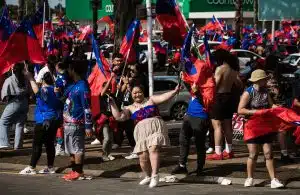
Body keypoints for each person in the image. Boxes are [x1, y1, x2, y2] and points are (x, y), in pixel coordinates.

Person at [109, 84, 180, 188]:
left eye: (139, 92)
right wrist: (112, 104)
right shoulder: (129, 107)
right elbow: (118, 117)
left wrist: (174, 91)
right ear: (131, 95)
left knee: (154, 148)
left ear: (143, 92)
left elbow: (163, 97)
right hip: (141, 132)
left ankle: (155, 175)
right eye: (134, 93)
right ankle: (147, 176)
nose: (137, 94)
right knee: (143, 158)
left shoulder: (151, 100)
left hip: (155, 127)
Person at [238, 69, 284, 188]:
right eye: (264, 79)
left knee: (268, 153)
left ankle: (273, 179)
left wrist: (277, 108)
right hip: (252, 127)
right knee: (253, 154)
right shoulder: (248, 92)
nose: (266, 81)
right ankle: (249, 178)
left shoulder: (265, 92)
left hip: (264, 126)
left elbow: (270, 105)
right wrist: (257, 112)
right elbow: (240, 110)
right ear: (259, 80)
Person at [19, 69, 61, 175]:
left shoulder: (45, 90)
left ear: (43, 80)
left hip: (43, 120)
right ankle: (50, 166)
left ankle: (32, 167)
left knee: (37, 144)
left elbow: (37, 91)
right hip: (54, 119)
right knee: (50, 144)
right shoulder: (57, 90)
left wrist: (30, 78)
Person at [207, 49, 243, 160]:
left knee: (217, 126)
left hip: (219, 97)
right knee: (228, 125)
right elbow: (239, 84)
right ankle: (229, 150)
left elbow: (215, 85)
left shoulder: (220, 69)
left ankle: (218, 152)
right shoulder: (233, 70)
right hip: (229, 97)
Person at [62, 59, 93, 181]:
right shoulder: (73, 85)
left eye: (69, 69)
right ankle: (74, 170)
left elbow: (87, 107)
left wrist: (88, 126)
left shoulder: (83, 87)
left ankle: (78, 171)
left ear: (73, 70)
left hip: (77, 124)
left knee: (77, 148)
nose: (67, 71)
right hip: (68, 123)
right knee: (70, 148)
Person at [171, 81, 209, 176]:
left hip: (200, 116)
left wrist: (196, 92)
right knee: (183, 140)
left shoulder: (209, 83)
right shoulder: (198, 81)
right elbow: (190, 87)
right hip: (189, 115)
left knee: (199, 143)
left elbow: (207, 101)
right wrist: (184, 78)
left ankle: (200, 168)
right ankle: (182, 165)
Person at [0, 63, 29, 149]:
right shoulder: (26, 79)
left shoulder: (9, 80)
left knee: (3, 122)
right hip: (24, 102)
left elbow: (4, 96)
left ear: (13, 70)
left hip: (14, 102)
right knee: (20, 124)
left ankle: (4, 143)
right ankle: (18, 145)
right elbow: (29, 92)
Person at [95, 74, 117, 161]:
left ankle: (109, 154)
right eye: (107, 87)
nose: (108, 89)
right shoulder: (102, 96)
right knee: (107, 138)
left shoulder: (112, 97)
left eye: (109, 88)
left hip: (112, 119)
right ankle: (104, 155)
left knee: (111, 139)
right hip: (104, 120)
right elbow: (103, 91)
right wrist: (110, 78)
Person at [54, 61, 71, 156]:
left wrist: (57, 97)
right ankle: (63, 146)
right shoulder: (69, 77)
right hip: (68, 103)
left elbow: (57, 93)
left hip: (62, 104)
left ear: (58, 67)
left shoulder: (59, 78)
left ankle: (60, 146)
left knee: (61, 125)